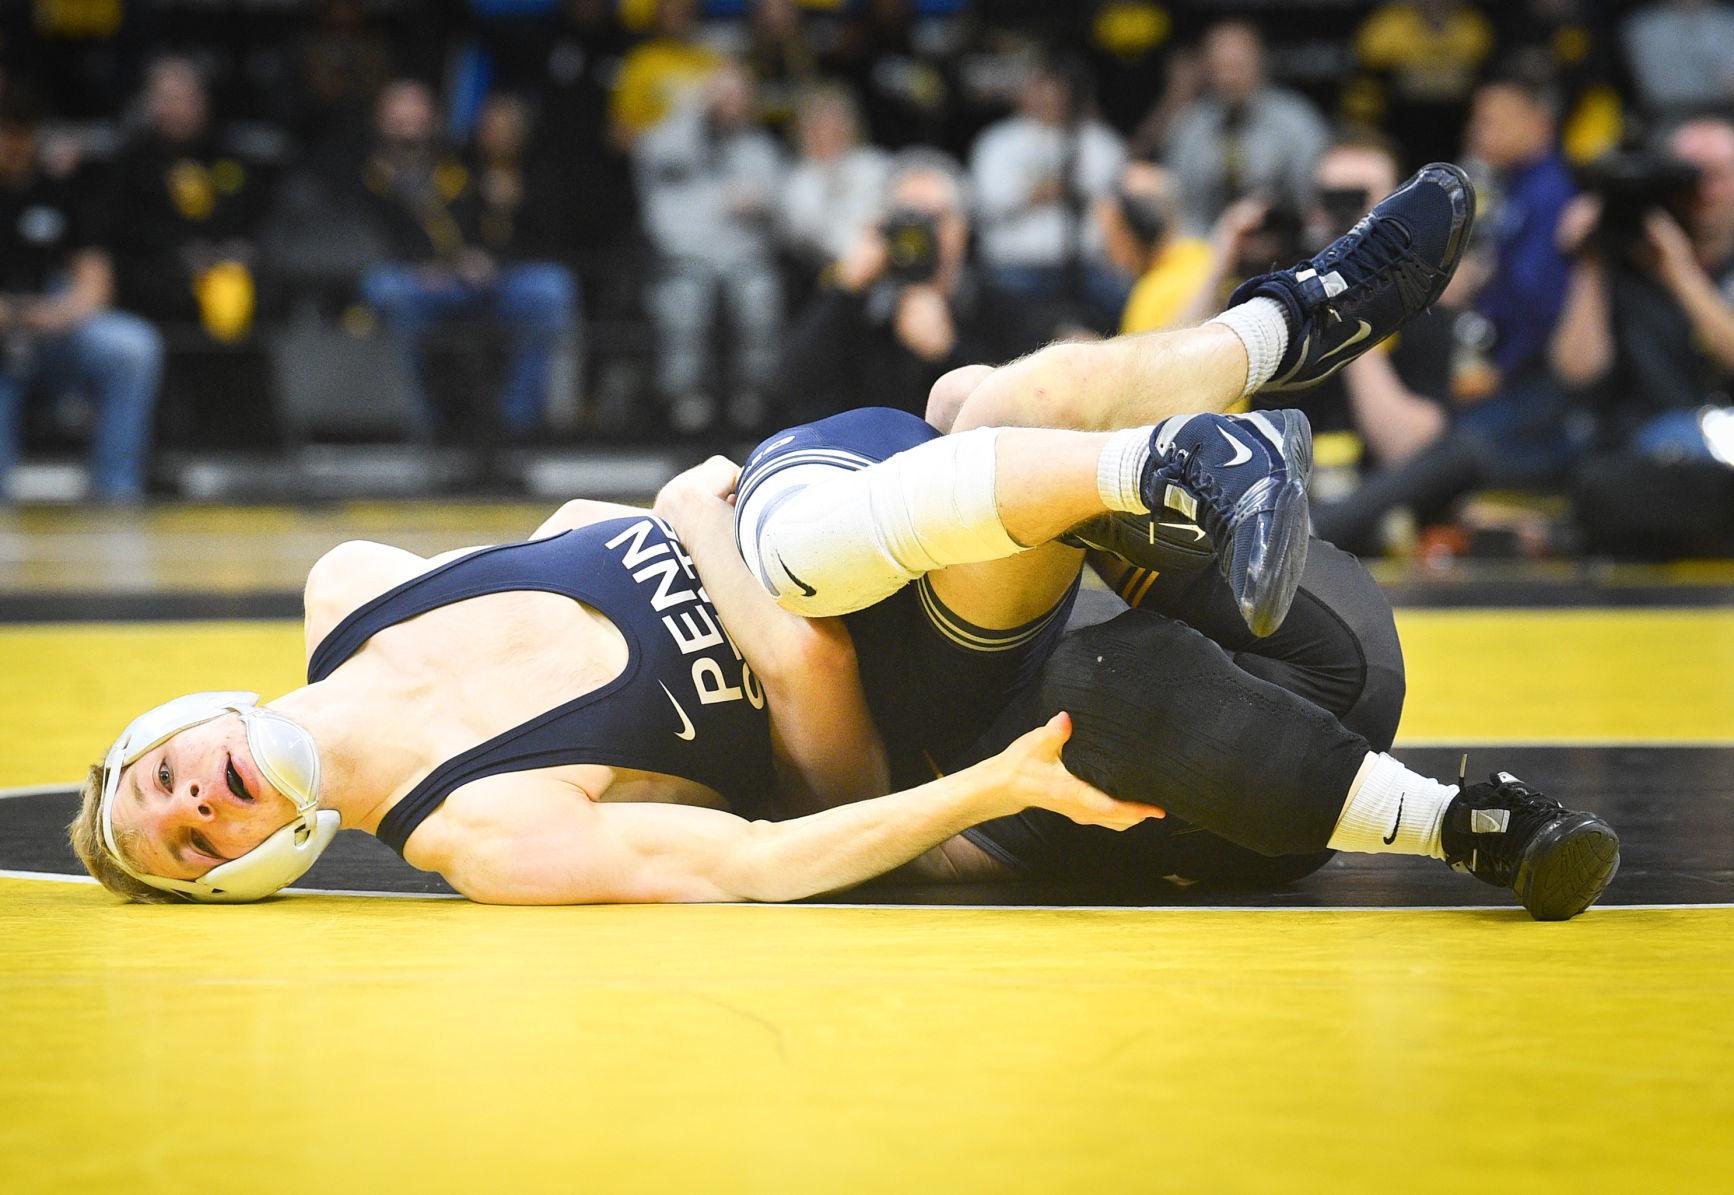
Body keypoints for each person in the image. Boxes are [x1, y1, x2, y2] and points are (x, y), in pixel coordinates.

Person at [71, 164, 1617, 920]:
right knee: (809, 551)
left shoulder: (354, 588)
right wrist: (957, 782)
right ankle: (1469, 816)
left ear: (167, 726)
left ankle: (1287, 332)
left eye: (157, 786)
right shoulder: (481, 834)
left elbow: (604, 525)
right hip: (967, 710)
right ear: (252, 868)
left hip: (1014, 561)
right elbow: (761, 855)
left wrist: (709, 544)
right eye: (190, 846)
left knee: (985, 397)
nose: (193, 806)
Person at [355, 80, 579, 438]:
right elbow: (364, 239)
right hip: (418, 287)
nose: (409, 122)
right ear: (380, 120)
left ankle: (516, 424)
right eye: (398, 114)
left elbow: (491, 231)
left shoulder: (461, 163)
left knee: (550, 287)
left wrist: (487, 257)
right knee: (386, 289)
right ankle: (422, 426)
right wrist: (423, 267)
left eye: (417, 112)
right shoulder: (363, 174)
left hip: (477, 281)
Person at [774, 149, 1057, 422]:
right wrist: (846, 288)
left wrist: (950, 352)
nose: (921, 236)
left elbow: (1025, 409)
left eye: (934, 219)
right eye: (907, 220)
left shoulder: (1000, 307)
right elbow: (789, 386)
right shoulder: (861, 308)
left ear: (961, 227)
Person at [0, 88, 163, 503]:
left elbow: (96, 283)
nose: (11, 144)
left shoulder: (60, 191)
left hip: (53, 325)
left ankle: (115, 490)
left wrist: (46, 315)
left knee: (131, 346)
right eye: (4, 132)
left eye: (20, 132)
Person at [1550, 118, 1734, 462]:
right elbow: (1576, 372)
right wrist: (1590, 262)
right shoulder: (1630, 256)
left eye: (1720, 177)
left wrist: (1681, 275)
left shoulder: (1684, 266)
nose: (1705, 193)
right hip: (1641, 447)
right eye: (1692, 178)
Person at [635, 61, 784, 434]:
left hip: (743, 257)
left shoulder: (758, 147)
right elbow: (648, 154)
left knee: (760, 297)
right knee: (684, 303)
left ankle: (753, 395)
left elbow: (778, 202)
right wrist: (696, 109)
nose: (730, 103)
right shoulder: (673, 139)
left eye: (738, 95)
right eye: (722, 94)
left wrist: (759, 201)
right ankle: (685, 398)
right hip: (684, 258)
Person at [109, 57, 266, 344]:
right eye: (169, 99)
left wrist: (237, 249)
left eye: (188, 99)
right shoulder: (132, 162)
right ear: (150, 105)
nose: (180, 110)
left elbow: (250, 215)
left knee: (266, 285)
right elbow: (126, 230)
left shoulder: (229, 156)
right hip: (161, 271)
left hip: (227, 265)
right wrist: (182, 254)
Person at [968, 58, 1128, 324]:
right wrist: (1052, 188)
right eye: (1039, 86)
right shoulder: (997, 141)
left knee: (1125, 301)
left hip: (1088, 267)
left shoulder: (1097, 139)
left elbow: (1107, 187)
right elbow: (993, 201)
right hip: (1015, 265)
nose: (1048, 95)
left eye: (1056, 87)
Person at [1163, 21, 1329, 229]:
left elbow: (1315, 200)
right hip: (1208, 247)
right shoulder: (1190, 125)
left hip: (1286, 245)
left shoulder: (1295, 120)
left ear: (1260, 62)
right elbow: (1178, 203)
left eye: (1237, 66)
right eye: (1221, 68)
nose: (1229, 78)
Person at [778, 85, 892, 273]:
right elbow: (806, 233)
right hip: (823, 271)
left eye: (836, 121)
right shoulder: (796, 181)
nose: (828, 129)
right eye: (819, 123)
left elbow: (886, 212)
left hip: (879, 259)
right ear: (804, 130)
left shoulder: (875, 164)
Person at [1098, 160, 1215, 335]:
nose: (1106, 250)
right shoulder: (1213, 257)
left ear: (1128, 235)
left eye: (1109, 236)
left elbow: (1140, 362)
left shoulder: (1151, 298)